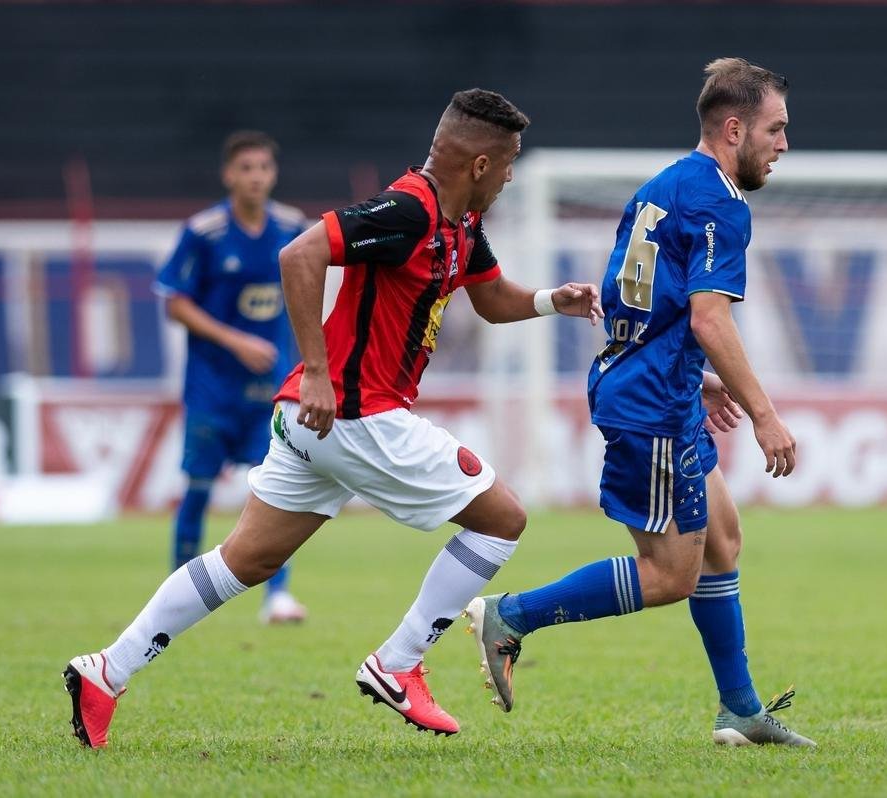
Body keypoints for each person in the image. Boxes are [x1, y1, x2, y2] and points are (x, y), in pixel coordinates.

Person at [62, 88, 603, 748]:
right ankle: (398, 663)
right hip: (355, 414)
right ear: (482, 164)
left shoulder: (462, 223)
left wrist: (554, 300)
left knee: (244, 561)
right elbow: (300, 255)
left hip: (316, 421)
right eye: (510, 160)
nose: (515, 173)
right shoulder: (408, 210)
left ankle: (104, 672)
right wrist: (317, 369)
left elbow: (489, 298)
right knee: (503, 519)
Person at [465, 58, 815, 747]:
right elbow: (712, 318)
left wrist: (692, 372)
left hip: (659, 385)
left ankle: (740, 709)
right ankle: (510, 616)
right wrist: (767, 416)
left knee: (723, 540)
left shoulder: (666, 184)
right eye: (775, 130)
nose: (783, 145)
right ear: (734, 128)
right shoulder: (718, 201)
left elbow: (639, 295)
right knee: (668, 575)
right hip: (650, 402)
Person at [155, 130, 308, 625]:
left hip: (272, 387)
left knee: (279, 491)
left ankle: (277, 597)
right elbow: (175, 303)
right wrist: (235, 341)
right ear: (228, 174)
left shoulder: (291, 227)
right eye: (246, 168)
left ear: (273, 173)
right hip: (212, 385)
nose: (256, 177)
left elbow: (311, 287)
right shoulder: (205, 232)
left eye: (263, 167)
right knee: (198, 484)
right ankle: (177, 591)